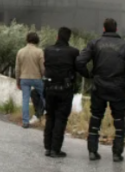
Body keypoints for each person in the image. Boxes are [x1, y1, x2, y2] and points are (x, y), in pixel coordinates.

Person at [76, 18, 125, 162]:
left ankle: (92, 151)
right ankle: (117, 154)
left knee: (96, 117)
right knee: (119, 119)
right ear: (116, 29)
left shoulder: (95, 43)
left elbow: (80, 61)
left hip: (99, 87)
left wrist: (89, 75)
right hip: (118, 88)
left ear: (104, 29)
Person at [43, 27, 80, 159]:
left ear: (57, 36)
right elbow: (79, 68)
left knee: (50, 117)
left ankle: (47, 147)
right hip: (65, 90)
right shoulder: (73, 52)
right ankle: (55, 149)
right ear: (68, 38)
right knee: (61, 118)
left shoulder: (47, 50)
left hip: (49, 89)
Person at [15, 31, 45, 128]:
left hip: (24, 78)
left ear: (27, 39)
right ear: (37, 40)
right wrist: (43, 77)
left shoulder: (20, 51)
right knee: (45, 95)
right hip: (37, 78)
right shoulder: (39, 52)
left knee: (25, 100)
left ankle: (25, 122)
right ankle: (44, 113)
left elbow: (17, 69)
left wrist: (17, 81)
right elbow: (42, 68)